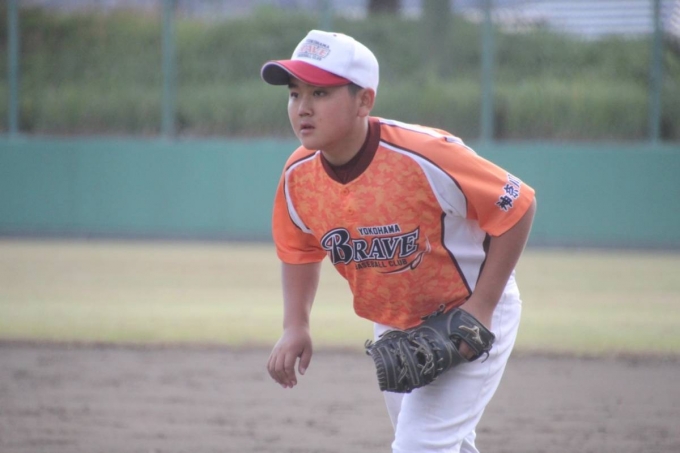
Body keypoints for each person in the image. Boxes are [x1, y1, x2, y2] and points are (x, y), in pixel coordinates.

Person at [261, 29, 536, 453]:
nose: (303, 108)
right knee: (440, 443)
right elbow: (299, 249)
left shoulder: (426, 155)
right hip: (395, 323)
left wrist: (481, 310)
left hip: (470, 311)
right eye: (295, 94)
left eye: (320, 93)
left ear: (364, 101)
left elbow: (518, 204)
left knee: (419, 445)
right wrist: (295, 325)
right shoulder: (299, 175)